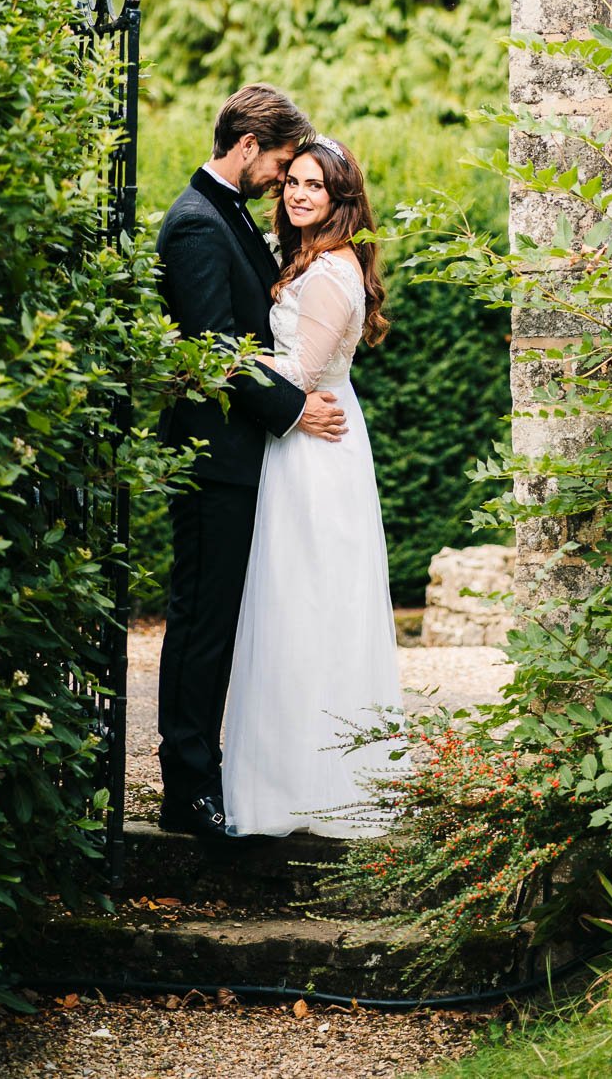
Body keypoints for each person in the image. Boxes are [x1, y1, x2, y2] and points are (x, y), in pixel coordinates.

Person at [156, 86, 348, 838]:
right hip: (212, 461)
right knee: (201, 622)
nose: (280, 176)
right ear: (245, 146)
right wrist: (296, 408)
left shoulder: (225, 212)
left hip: (240, 458)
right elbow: (215, 351)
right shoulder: (197, 225)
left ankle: (211, 773)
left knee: (222, 621)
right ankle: (187, 790)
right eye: (276, 162)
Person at [223, 136, 404, 838]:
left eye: (315, 187)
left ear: (340, 200)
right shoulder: (310, 261)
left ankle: (314, 783)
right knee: (292, 603)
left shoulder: (330, 274)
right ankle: (290, 772)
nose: (299, 194)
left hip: (315, 447)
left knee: (310, 604)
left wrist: (217, 359)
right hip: (300, 439)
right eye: (293, 182)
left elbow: (298, 372)